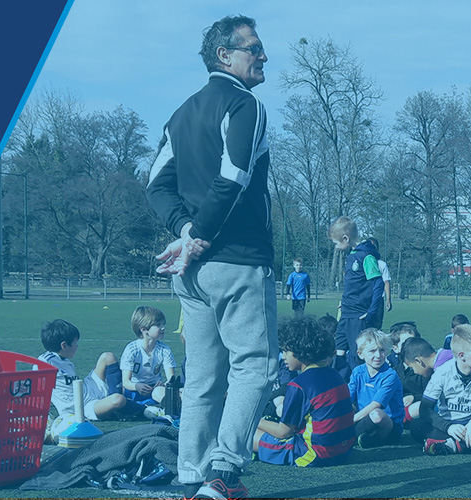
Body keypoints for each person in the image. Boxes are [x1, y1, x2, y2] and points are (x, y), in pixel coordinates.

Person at [145, 14, 277, 499]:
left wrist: (184, 233)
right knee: (255, 367)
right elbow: (235, 176)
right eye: (254, 48)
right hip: (237, 262)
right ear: (226, 56)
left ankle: (191, 475)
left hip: (191, 272)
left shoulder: (180, 114)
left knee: (203, 377)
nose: (263, 56)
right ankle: (223, 472)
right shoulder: (246, 104)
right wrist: (195, 233)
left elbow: (155, 187)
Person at [254, 316, 355, 467]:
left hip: (314, 454)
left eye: (286, 351)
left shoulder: (299, 385)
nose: (284, 357)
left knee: (248, 433)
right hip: (344, 452)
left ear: (300, 352)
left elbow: (283, 432)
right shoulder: (335, 375)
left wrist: (253, 420)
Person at [38, 319, 145, 423]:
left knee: (108, 357)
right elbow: (38, 373)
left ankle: (116, 409)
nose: (77, 346)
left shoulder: (64, 360)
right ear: (64, 345)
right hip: (81, 407)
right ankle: (144, 409)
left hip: (87, 390)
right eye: (75, 343)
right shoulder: (47, 361)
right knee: (118, 400)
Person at [420, 325, 471, 455]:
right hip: (450, 425)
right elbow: (425, 408)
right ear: (462, 356)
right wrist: (448, 427)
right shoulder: (442, 372)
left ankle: (452, 446)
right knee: (417, 426)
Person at [329, 217, 384, 379]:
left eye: (336, 243)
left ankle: (359, 392)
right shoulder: (351, 255)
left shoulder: (366, 256)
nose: (337, 247)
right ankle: (340, 385)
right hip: (346, 314)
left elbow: (378, 284)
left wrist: (372, 310)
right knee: (339, 352)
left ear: (346, 238)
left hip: (358, 315)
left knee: (356, 356)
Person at [348, 328, 404, 448]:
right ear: (360, 354)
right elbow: (347, 398)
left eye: (382, 350)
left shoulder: (390, 375)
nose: (378, 355)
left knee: (377, 415)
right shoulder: (358, 372)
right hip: (365, 419)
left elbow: (376, 404)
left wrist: (350, 421)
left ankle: (378, 439)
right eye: (372, 351)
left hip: (389, 425)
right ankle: (357, 437)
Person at [121, 306, 177, 405]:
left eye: (163, 324)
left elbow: (171, 378)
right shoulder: (132, 350)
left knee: (166, 392)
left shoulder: (164, 350)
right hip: (135, 389)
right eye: (158, 325)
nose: (163, 328)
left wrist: (164, 384)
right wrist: (137, 386)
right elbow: (126, 382)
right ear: (144, 329)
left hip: (155, 389)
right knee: (122, 393)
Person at [398, 336, 437, 441]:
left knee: (418, 426)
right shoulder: (445, 360)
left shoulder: (442, 370)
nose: (414, 372)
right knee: (417, 426)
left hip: (460, 416)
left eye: (412, 368)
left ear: (419, 361)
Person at [365, 237, 393, 324]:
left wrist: (388, 300)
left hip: (378, 298)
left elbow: (386, 282)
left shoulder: (381, 264)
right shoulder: (363, 262)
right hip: (365, 298)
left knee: (377, 324)